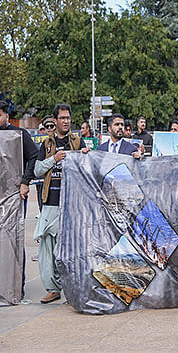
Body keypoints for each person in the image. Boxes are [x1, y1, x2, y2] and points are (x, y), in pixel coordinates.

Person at [33, 103, 90, 304]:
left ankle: (71, 289)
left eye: (68, 118)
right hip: (51, 202)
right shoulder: (47, 144)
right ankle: (52, 288)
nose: (66, 121)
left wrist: (85, 155)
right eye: (62, 118)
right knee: (47, 248)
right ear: (55, 121)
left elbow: (90, 166)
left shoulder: (77, 141)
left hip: (72, 205)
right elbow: (37, 170)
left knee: (71, 248)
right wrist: (54, 159)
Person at [0, 100, 39, 300]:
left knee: (13, 239)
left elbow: (34, 156)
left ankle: (17, 286)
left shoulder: (19, 135)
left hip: (14, 196)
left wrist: (25, 181)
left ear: (7, 115)